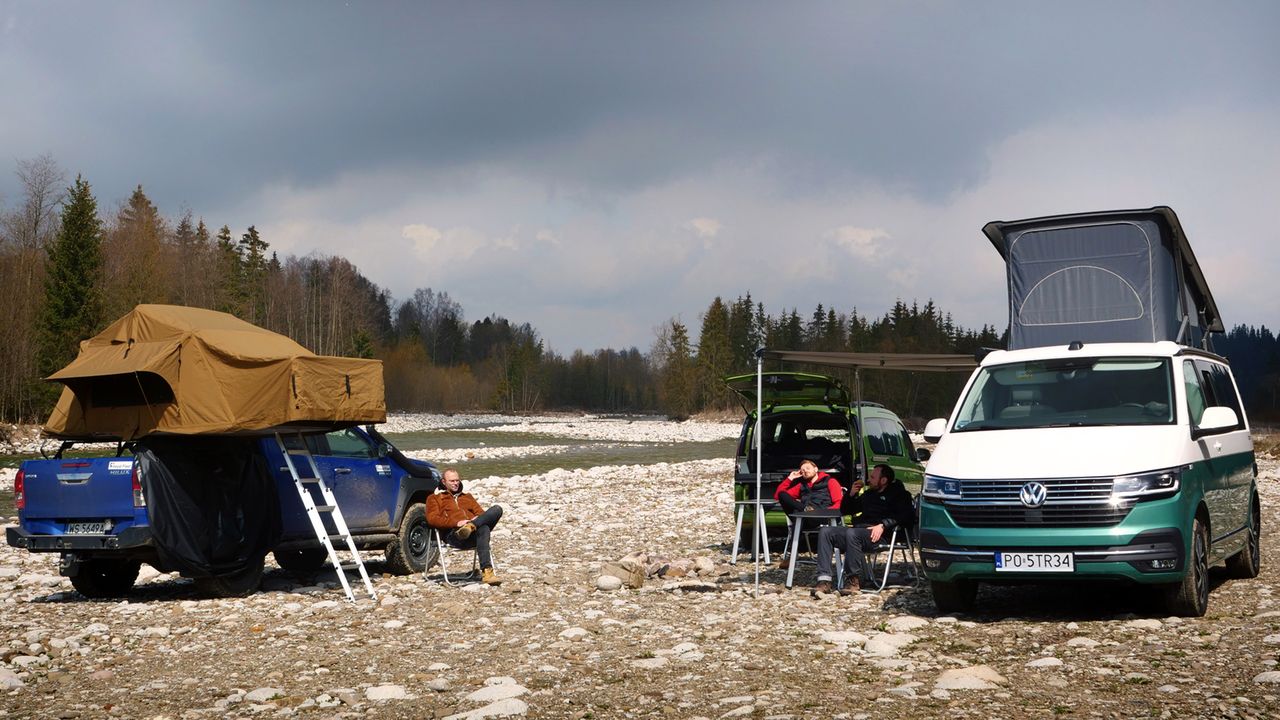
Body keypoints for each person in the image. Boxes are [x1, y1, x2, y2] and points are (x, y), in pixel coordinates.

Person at [811, 463, 913, 597]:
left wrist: (883, 525)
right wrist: (851, 494)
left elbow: (905, 515)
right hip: (860, 532)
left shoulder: (899, 495)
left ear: (883, 480)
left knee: (852, 533)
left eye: (872, 477)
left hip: (883, 535)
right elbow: (846, 510)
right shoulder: (870, 494)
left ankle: (853, 581)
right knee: (826, 532)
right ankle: (824, 580)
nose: (868, 480)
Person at [425, 468, 504, 585]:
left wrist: (475, 520)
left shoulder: (467, 497)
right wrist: (456, 523)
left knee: (497, 509)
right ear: (443, 481)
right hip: (454, 535)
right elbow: (432, 519)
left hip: (473, 534)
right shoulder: (435, 498)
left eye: (457, 480)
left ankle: (471, 527)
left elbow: (482, 515)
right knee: (484, 528)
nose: (456, 483)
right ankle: (487, 572)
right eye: (452, 481)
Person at [773, 458, 844, 569]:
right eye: (802, 470)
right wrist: (790, 478)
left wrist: (825, 512)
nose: (805, 471)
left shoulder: (830, 481)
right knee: (784, 496)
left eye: (807, 468)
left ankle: (792, 555)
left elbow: (839, 502)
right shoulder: (802, 485)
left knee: (798, 516)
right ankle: (805, 509)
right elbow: (778, 496)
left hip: (823, 515)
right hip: (805, 515)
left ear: (816, 469)